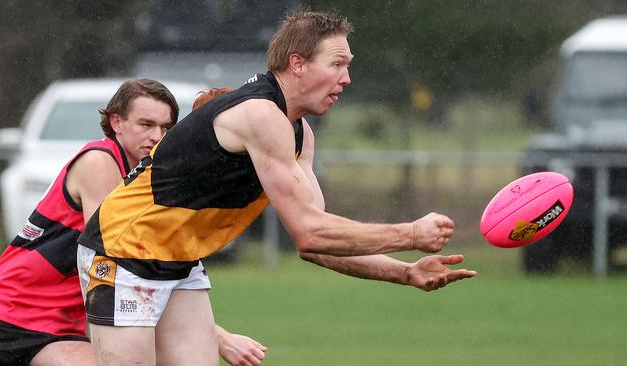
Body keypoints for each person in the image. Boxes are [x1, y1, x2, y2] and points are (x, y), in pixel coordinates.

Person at [77, 9, 477, 366]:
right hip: (122, 253)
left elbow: (319, 242)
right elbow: (311, 233)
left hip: (179, 261)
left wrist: (406, 273)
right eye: (337, 64)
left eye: (348, 65)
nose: (347, 78)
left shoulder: (299, 132)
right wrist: (409, 234)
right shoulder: (260, 114)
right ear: (297, 64)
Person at [0, 79, 266, 366]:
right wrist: (221, 338)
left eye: (166, 128)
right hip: (8, 308)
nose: (156, 136)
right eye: (146, 124)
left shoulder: (151, 181)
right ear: (116, 122)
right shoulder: (100, 162)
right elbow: (120, 262)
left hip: (62, 325)